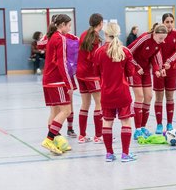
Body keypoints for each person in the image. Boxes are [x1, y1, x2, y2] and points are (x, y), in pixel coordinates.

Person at [94, 22, 136, 162]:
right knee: (126, 122)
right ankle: (125, 154)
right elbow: (131, 72)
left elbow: (96, 73)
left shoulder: (99, 52)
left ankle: (109, 154)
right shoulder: (125, 51)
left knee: (107, 122)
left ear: (105, 34)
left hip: (106, 93)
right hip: (123, 92)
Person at [38, 15, 79, 139]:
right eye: (69, 25)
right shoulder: (59, 38)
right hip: (56, 79)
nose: (70, 28)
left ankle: (56, 139)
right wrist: (68, 83)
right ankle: (50, 139)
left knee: (55, 112)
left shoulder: (53, 36)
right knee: (66, 110)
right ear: (62, 25)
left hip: (48, 79)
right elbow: (62, 63)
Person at [128, 24, 168, 140]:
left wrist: (156, 70)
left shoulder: (159, 43)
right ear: (154, 34)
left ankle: (143, 127)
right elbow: (128, 52)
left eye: (164, 38)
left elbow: (153, 58)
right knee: (139, 97)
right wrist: (136, 66)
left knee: (149, 96)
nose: (162, 41)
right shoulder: (145, 38)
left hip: (145, 70)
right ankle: (137, 130)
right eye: (160, 38)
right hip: (134, 69)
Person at [76, 13, 104, 143]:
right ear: (100, 23)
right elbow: (97, 57)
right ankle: (98, 135)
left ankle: (82, 135)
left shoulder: (83, 34)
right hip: (91, 74)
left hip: (80, 74)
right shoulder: (96, 37)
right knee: (99, 103)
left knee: (85, 104)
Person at [153, 13, 176, 134]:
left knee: (170, 97)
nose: (169, 24)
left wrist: (169, 62)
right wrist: (160, 67)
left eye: (171, 21)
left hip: (171, 70)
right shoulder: (158, 33)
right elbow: (156, 50)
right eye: (167, 22)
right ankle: (159, 124)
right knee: (159, 97)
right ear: (163, 22)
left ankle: (169, 124)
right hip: (158, 71)